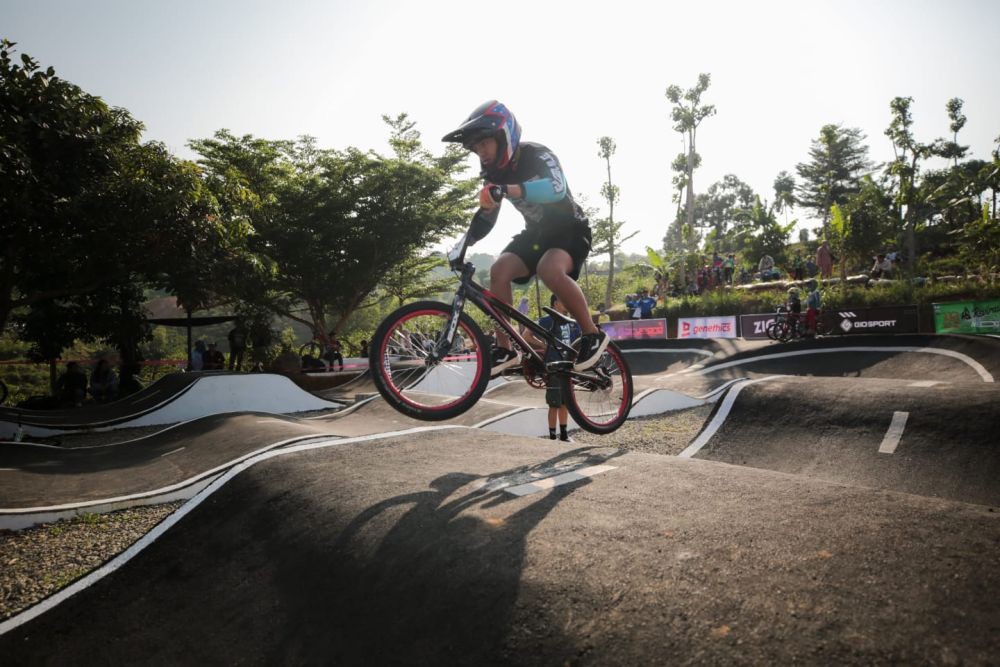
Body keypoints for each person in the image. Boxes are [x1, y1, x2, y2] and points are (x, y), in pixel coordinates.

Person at [442, 100, 607, 376]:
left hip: (570, 228)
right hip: (537, 234)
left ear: (504, 136)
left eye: (484, 144)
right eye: (476, 148)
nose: (480, 152)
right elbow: (488, 216)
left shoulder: (537, 154)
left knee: (548, 269)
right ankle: (505, 348)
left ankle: (592, 334)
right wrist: (464, 244)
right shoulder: (493, 175)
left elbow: (556, 188)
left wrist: (508, 189)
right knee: (499, 270)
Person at [525, 293, 581, 442]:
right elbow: (526, 335)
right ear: (555, 303)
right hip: (553, 367)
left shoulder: (571, 322)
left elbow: (578, 342)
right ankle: (551, 436)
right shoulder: (546, 320)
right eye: (564, 301)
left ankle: (564, 434)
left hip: (568, 367)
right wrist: (543, 345)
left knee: (566, 403)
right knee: (554, 404)